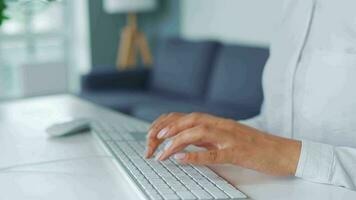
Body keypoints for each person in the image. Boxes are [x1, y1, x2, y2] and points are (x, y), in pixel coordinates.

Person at [145, 0, 356, 190]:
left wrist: (287, 155)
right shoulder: (292, 8)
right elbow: (276, 121)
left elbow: (279, 150)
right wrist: (221, 133)